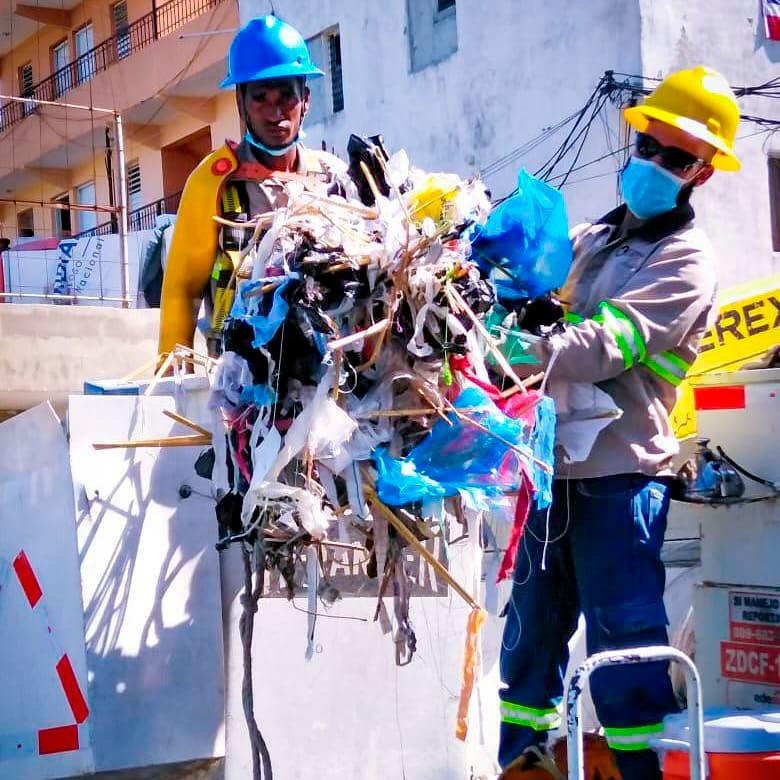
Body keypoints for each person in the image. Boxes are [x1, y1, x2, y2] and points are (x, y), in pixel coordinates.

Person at [498, 66, 741, 780]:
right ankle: (523, 765)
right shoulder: (587, 239)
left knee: (625, 649)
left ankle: (639, 774)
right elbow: (533, 298)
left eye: (675, 158)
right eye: (650, 148)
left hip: (621, 475)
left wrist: (523, 348)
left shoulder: (687, 261)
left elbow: (605, 344)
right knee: (531, 643)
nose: (655, 165)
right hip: (553, 471)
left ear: (701, 173)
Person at [158, 15, 353, 358]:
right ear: (241, 103)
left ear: (305, 101)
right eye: (260, 97)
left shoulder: (332, 177)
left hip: (325, 373)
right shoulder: (214, 181)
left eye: (286, 97)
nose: (274, 111)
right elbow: (182, 290)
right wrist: (175, 376)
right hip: (240, 379)